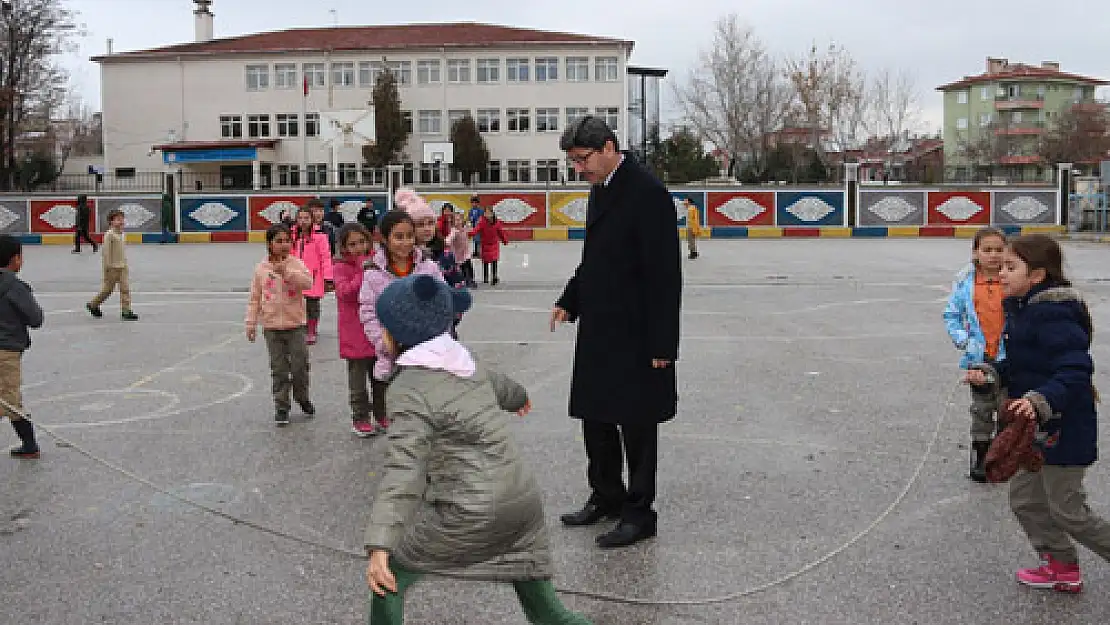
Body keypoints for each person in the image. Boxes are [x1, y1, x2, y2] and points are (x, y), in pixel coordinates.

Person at [363, 273, 593, 625]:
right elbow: (503, 387)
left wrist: (381, 543)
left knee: (389, 579)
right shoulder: (464, 361)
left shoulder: (407, 389)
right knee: (547, 610)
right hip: (522, 502)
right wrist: (520, 398)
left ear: (399, 335)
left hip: (469, 509)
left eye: (385, 327)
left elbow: (404, 470)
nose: (382, 334)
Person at [550, 115, 682, 549]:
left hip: (639, 331)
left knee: (637, 425)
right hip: (601, 328)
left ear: (608, 147)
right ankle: (606, 495)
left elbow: (666, 275)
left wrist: (664, 343)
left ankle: (640, 512)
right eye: (573, 162)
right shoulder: (599, 190)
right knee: (596, 415)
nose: (578, 169)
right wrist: (571, 299)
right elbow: (596, 257)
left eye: (582, 160)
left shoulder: (648, 194)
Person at [966, 234, 1110, 593]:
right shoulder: (1021, 308)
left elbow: (1076, 371)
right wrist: (990, 374)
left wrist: (1039, 400)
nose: (1001, 272)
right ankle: (1060, 565)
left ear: (1037, 275)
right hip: (1031, 430)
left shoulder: (1053, 313)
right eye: (1001, 265)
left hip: (1063, 426)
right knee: (1026, 500)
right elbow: (1018, 366)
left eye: (1011, 267)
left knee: (1069, 511)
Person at [944, 227, 1007, 482]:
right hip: (979, 359)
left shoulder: (1012, 281)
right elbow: (951, 316)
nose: (993, 255)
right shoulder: (966, 284)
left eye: (999, 250)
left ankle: (1003, 456)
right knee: (982, 409)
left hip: (1010, 359)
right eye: (987, 250)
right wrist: (964, 341)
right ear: (975, 253)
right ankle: (980, 454)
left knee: (1007, 408)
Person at [358, 209, 444, 386]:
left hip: (427, 351)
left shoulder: (429, 268)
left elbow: (443, 302)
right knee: (397, 408)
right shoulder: (373, 274)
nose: (406, 242)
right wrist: (384, 343)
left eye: (410, 236)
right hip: (391, 357)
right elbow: (368, 312)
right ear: (384, 238)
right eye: (398, 237)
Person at [245, 224, 316, 426]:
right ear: (269, 244)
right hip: (272, 327)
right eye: (279, 241)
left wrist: (286, 272)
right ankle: (281, 406)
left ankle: (302, 397)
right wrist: (251, 322)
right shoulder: (261, 269)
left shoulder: (296, 264)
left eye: (287, 241)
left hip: (296, 325)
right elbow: (255, 298)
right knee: (279, 369)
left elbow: (307, 283)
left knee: (300, 366)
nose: (284, 245)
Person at [333, 223, 387, 437]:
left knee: (381, 379)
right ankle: (360, 418)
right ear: (344, 247)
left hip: (376, 330)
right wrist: (362, 274)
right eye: (352, 244)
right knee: (358, 384)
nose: (358, 248)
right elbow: (344, 293)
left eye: (362, 242)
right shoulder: (340, 267)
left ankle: (382, 415)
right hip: (353, 333)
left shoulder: (378, 261)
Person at [0, 235, 44, 458]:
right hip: (7, 350)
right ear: (15, 259)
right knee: (10, 399)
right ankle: (30, 445)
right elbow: (35, 318)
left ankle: (29, 445)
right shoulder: (15, 287)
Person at [291, 205, 333, 345]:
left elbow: (325, 258)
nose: (303, 221)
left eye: (306, 218)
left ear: (312, 220)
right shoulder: (293, 236)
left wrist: (328, 277)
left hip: (314, 276)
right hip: (295, 276)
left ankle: (312, 330)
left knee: (312, 305)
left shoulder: (320, 237)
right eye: (300, 218)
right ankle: (300, 328)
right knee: (296, 304)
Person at [86, 209, 139, 321]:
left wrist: (125, 263)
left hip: (122, 267)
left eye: (122, 219)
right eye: (118, 219)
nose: (121, 221)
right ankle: (93, 304)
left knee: (125, 289)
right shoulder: (109, 235)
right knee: (107, 290)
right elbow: (106, 253)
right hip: (112, 268)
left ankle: (126, 310)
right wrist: (108, 267)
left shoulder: (122, 234)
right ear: (111, 222)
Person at [473, 206, 508, 286]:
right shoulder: (481, 222)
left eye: (489, 213)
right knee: (485, 261)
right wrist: (470, 233)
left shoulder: (496, 222)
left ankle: (494, 276)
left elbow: (500, 232)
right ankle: (485, 277)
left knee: (494, 260)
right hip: (485, 244)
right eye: (486, 213)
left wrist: (504, 240)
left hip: (494, 244)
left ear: (492, 213)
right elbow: (476, 230)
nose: (488, 215)